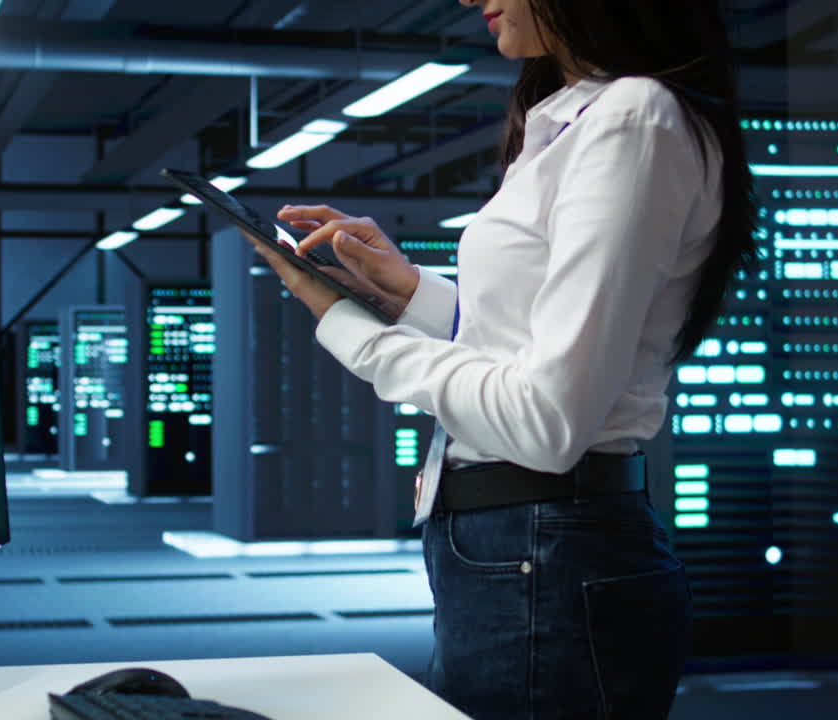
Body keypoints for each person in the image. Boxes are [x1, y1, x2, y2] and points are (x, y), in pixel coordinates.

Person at [246, 0, 756, 717]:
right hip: (520, 548)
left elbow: (545, 420)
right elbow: (524, 342)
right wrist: (408, 289)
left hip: (544, 549)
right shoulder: (577, 118)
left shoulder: (633, 117)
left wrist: (349, 328)